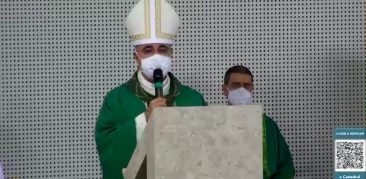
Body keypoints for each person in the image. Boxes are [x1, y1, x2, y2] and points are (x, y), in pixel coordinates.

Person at [94, 0, 206, 178]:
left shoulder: (193, 99)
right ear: (136, 57)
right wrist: (145, 120)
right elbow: (107, 146)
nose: (156, 56)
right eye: (148, 50)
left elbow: (209, 147)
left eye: (163, 49)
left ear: (171, 54)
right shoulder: (117, 100)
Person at [222, 65, 295, 179]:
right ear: (224, 90)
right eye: (236, 85)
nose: (242, 90)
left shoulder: (268, 125)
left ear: (252, 89)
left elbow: (286, 167)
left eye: (246, 86)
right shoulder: (214, 124)